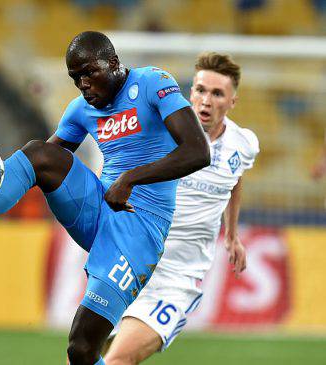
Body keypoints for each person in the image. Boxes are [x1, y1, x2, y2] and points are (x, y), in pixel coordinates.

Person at [0, 31, 210, 365]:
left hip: (139, 230)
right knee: (38, 153)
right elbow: (26, 169)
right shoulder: (80, 110)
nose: (84, 84)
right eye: (76, 78)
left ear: (114, 63)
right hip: (99, 209)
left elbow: (198, 151)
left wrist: (131, 178)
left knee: (81, 348)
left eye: (90, 72)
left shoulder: (152, 83)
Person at [104, 52, 260, 365]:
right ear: (191, 93)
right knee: (80, 356)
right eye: (201, 90)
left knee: (118, 360)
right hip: (129, 262)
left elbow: (236, 178)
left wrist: (232, 235)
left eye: (217, 93)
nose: (206, 100)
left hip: (177, 277)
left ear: (232, 102)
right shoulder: (160, 132)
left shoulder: (244, 144)